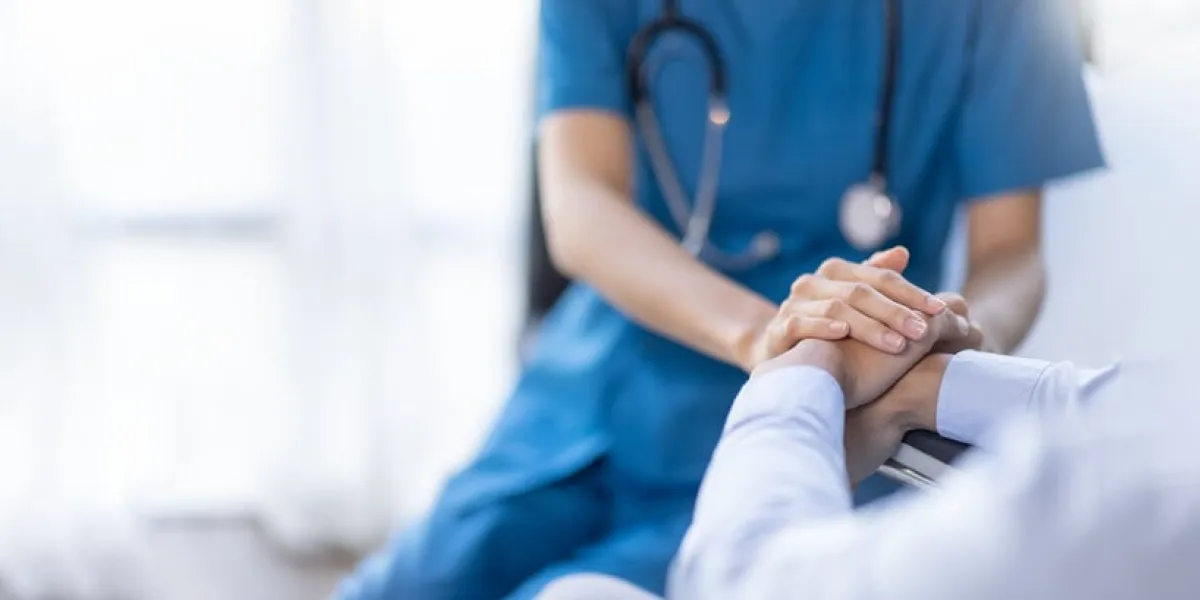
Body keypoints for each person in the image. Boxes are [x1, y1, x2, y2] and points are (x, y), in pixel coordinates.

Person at [334, 0, 1103, 597]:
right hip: (606, 382)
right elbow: (581, 207)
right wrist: (770, 338)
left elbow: (1011, 255)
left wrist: (949, 338)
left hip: (837, 417)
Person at [537, 311, 1188, 600]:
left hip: (799, 405)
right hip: (631, 380)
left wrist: (802, 368)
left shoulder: (1098, 503)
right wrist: (928, 386)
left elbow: (740, 583)